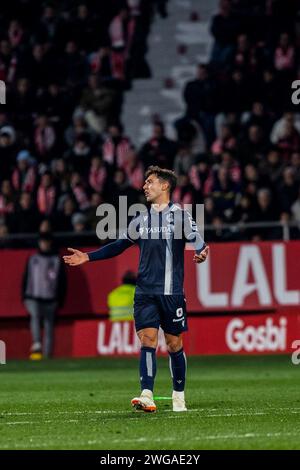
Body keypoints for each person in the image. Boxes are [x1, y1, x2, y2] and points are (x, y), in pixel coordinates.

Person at [63, 166, 209, 412]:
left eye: (150, 182)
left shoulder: (181, 216)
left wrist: (201, 252)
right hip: (144, 293)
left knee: (174, 344)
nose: (145, 186)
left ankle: (178, 396)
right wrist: (88, 257)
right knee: (148, 339)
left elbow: (198, 240)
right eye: (145, 182)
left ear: (165, 186)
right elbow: (119, 245)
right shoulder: (141, 219)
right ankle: (147, 394)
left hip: (171, 293)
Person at [22, 232, 67, 359]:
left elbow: (62, 281)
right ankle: (36, 343)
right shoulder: (33, 258)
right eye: (42, 242)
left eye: (46, 242)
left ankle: (47, 355)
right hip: (33, 296)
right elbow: (26, 277)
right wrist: (24, 295)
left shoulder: (56, 260)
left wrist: (60, 299)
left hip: (51, 298)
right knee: (35, 316)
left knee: (49, 326)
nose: (44, 244)